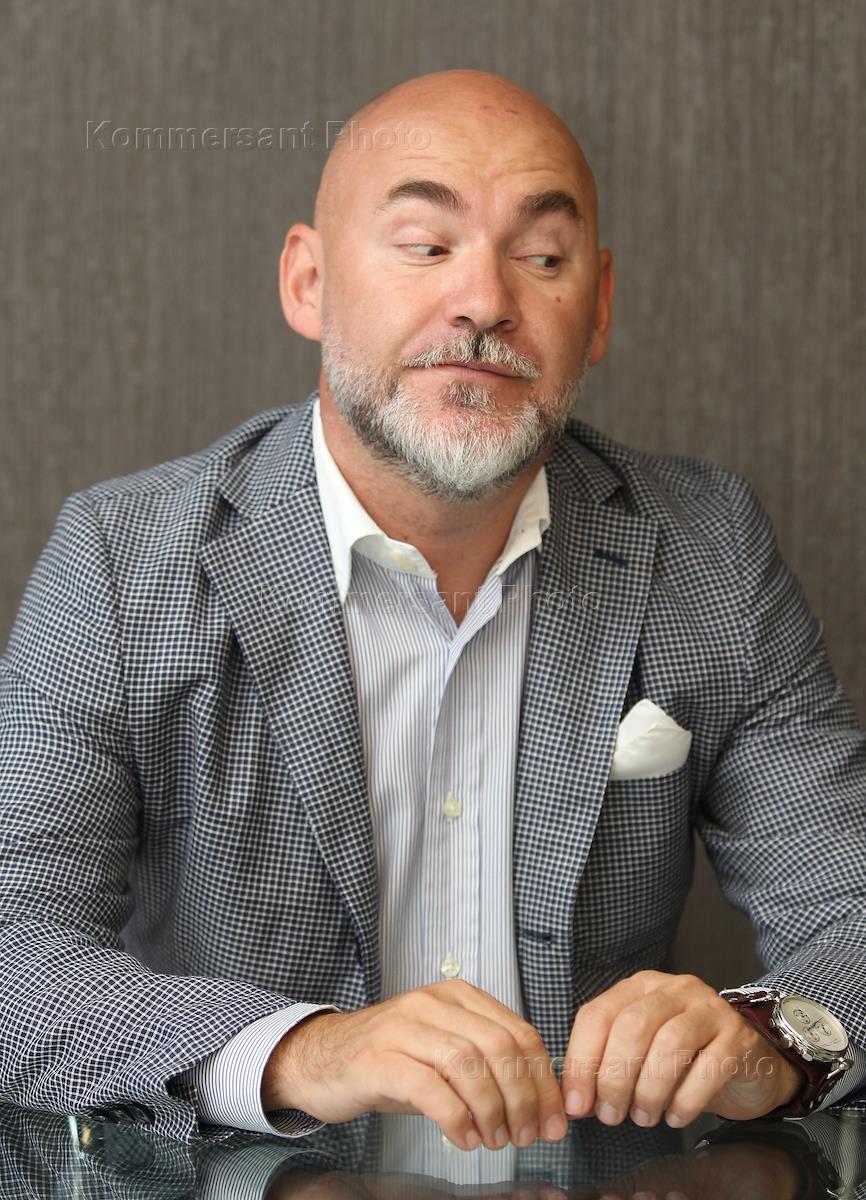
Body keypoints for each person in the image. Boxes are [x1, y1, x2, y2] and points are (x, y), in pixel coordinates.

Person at [0, 68, 863, 1152]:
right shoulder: (123, 562)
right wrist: (305, 1052)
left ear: (597, 308)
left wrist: (769, 1042)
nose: (484, 301)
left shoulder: (707, 549)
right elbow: (15, 952)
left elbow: (852, 911)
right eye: (424, 245)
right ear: (309, 282)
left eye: (540, 258)